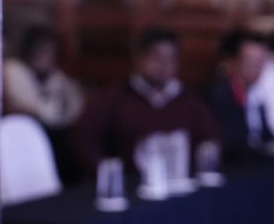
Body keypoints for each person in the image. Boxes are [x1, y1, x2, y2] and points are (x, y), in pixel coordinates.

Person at [76, 26, 218, 173]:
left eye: (171, 59)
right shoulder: (112, 99)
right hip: (130, 182)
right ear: (139, 58)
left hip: (180, 181)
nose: (164, 65)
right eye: (157, 57)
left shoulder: (190, 102)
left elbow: (210, 142)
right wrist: (107, 174)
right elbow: (84, 139)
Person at [3, 24, 86, 183]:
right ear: (29, 50)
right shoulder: (13, 71)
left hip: (55, 139)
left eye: (51, 52)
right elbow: (38, 109)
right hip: (21, 141)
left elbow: (74, 109)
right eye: (41, 50)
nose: (46, 56)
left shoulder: (55, 77)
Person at [206, 27, 271, 160]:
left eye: (261, 61)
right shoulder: (220, 95)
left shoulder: (256, 91)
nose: (258, 68)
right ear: (231, 62)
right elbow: (229, 143)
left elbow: (265, 136)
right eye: (251, 62)